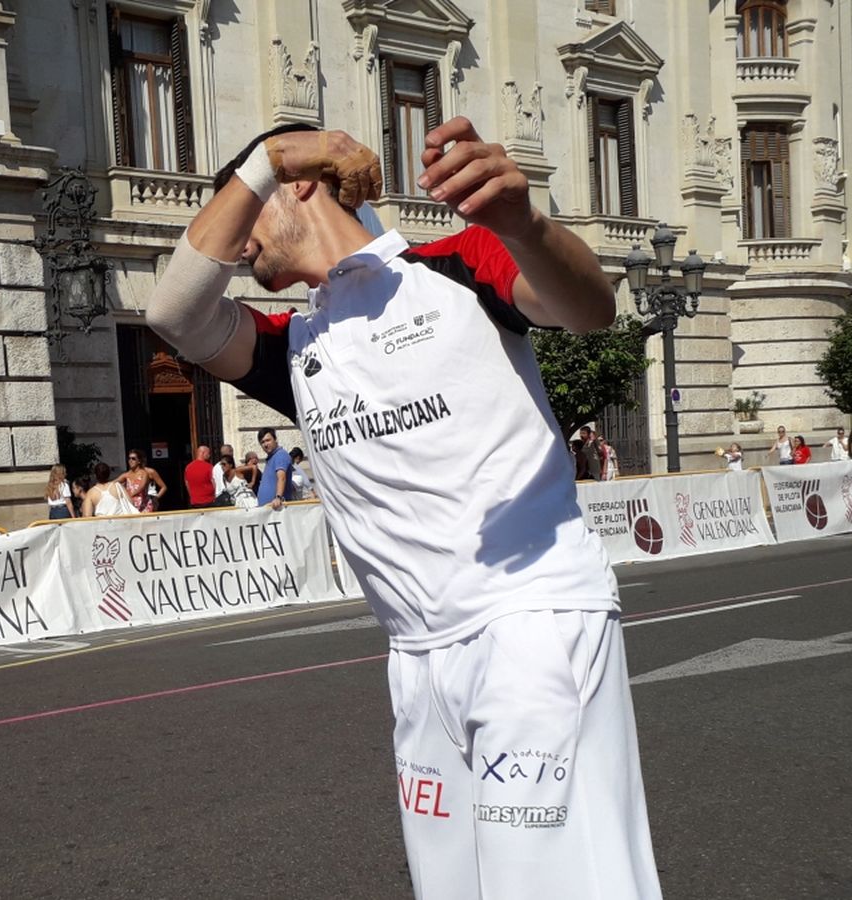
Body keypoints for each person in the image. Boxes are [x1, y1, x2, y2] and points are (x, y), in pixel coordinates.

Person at [145, 120, 660, 898]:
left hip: (528, 627)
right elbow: (174, 316)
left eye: (249, 206)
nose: (238, 242)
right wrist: (264, 165)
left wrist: (523, 224)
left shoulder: (450, 267)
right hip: (416, 659)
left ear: (304, 185)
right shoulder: (293, 344)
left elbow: (588, 309)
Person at [254, 427, 293, 509]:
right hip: (267, 511)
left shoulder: (280, 455)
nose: (265, 444)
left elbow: (281, 477)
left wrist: (278, 497)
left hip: (277, 510)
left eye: (268, 440)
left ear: (275, 440)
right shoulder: (271, 458)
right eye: (262, 442)